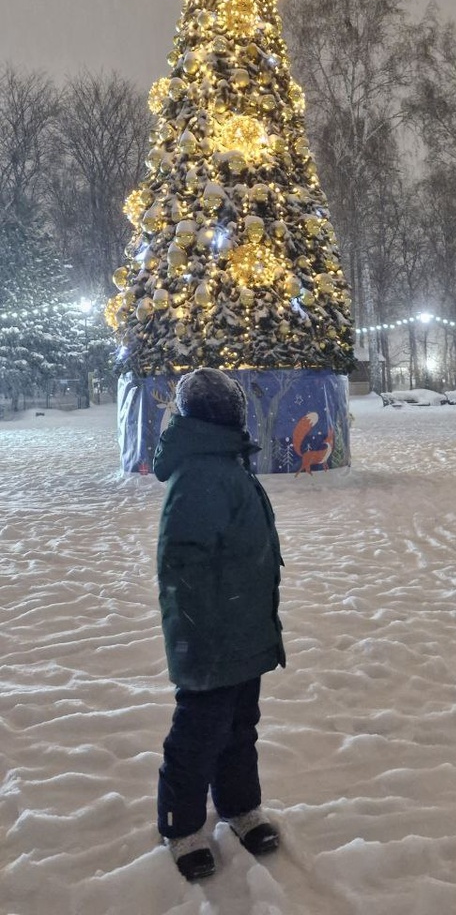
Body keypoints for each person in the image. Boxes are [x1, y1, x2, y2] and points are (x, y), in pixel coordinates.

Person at [153, 367, 285, 883]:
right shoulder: (201, 473)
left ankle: (239, 805)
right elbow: (181, 564)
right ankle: (181, 826)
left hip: (244, 630)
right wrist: (199, 630)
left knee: (239, 727)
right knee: (199, 733)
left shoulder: (225, 461)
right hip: (211, 638)